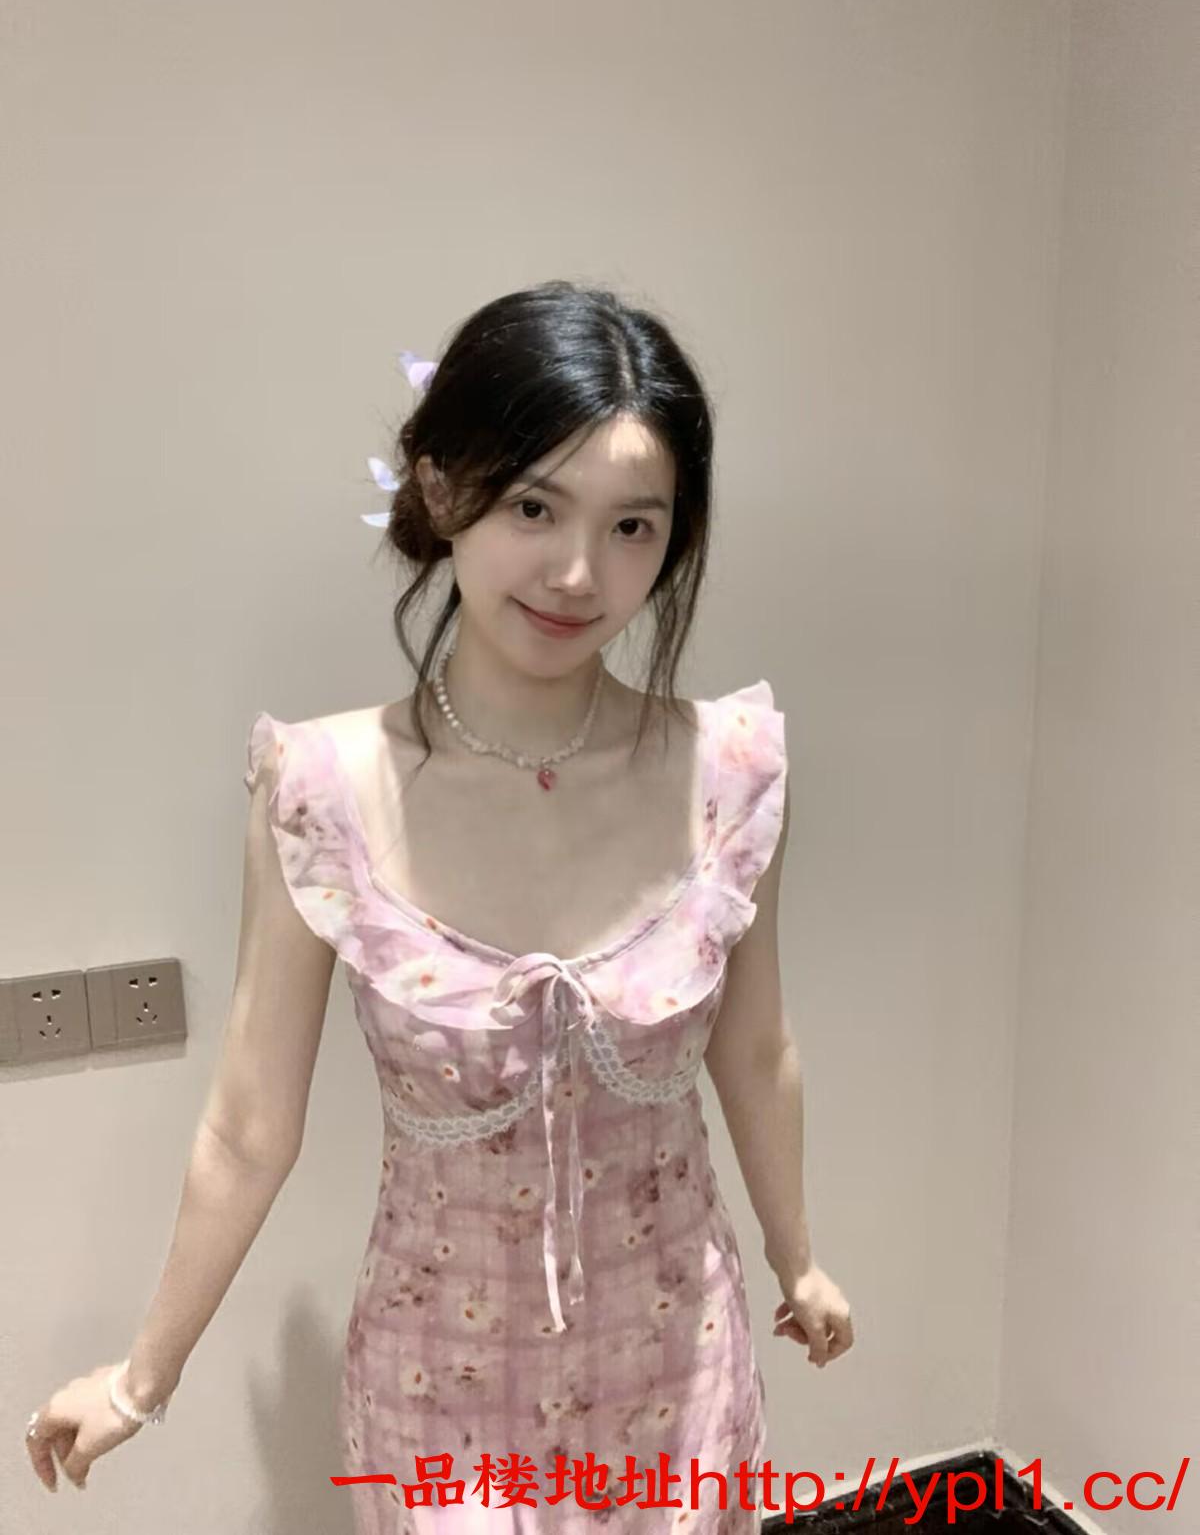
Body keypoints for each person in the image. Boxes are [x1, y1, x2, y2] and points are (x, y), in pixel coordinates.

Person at [24, 279, 853, 1529]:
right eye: (534, 506)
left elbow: (757, 1047)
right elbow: (248, 1128)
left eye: (634, 526)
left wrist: (799, 1257)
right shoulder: (322, 790)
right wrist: (144, 1380)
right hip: (440, 1386)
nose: (578, 572)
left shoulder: (728, 772)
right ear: (442, 485)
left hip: (677, 1361)